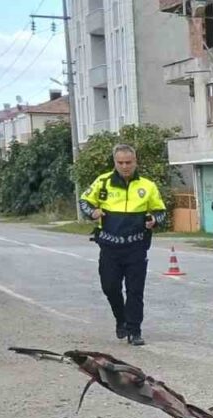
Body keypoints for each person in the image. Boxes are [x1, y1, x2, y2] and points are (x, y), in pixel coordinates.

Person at [79, 144, 167, 346]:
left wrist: (154, 219)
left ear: (135, 162)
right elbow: (84, 201)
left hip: (136, 247)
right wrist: (92, 213)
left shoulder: (148, 186)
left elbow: (161, 211)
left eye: (129, 162)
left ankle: (135, 330)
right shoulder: (103, 183)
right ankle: (121, 320)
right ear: (115, 163)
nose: (125, 166)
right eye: (121, 163)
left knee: (135, 290)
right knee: (110, 287)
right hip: (109, 247)